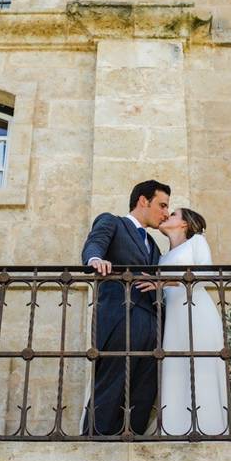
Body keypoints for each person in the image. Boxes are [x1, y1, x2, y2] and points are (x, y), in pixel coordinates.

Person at [80, 179, 170, 435]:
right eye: (162, 205)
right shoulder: (113, 222)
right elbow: (94, 244)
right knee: (111, 385)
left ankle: (128, 444)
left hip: (152, 325)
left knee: (144, 392)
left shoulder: (153, 246)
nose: (165, 213)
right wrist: (95, 259)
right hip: (120, 319)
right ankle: (94, 445)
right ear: (143, 200)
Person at [153, 208, 228, 436]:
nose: (167, 216)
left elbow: (206, 275)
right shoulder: (162, 257)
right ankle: (175, 429)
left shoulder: (197, 242)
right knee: (175, 368)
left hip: (197, 313)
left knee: (201, 366)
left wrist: (164, 283)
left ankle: (210, 428)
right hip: (173, 319)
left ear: (185, 224)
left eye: (173, 214)